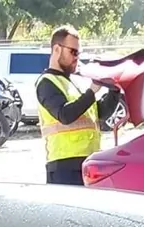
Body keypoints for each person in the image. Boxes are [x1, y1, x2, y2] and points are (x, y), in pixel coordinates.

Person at [36, 25, 102, 186]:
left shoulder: (74, 82)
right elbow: (65, 115)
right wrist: (91, 92)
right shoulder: (46, 83)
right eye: (73, 52)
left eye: (78, 53)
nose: (76, 57)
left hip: (88, 162)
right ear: (57, 49)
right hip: (63, 166)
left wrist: (115, 90)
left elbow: (100, 113)